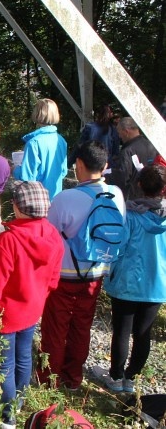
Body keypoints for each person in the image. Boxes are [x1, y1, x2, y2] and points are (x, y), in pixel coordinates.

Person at [0, 181, 63, 428]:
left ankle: (6, 417)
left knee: (3, 364)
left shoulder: (8, 241)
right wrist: (40, 297)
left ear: (17, 207)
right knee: (23, 357)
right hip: (32, 310)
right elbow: (53, 278)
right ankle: (17, 401)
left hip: (3, 316)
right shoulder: (53, 235)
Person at [38, 140, 126, 390]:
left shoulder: (65, 198)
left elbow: (48, 237)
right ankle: (73, 378)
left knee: (56, 327)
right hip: (97, 272)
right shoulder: (116, 195)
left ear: (78, 164)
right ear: (105, 166)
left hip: (64, 274)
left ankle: (48, 379)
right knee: (81, 325)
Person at [98, 165, 166, 393]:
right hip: (156, 284)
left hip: (127, 281)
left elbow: (118, 246)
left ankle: (116, 376)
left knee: (122, 331)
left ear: (138, 184)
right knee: (143, 333)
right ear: (163, 190)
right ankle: (131, 378)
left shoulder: (131, 216)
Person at [12, 98, 68, 201]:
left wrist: (15, 169)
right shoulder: (61, 141)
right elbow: (63, 171)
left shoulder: (33, 143)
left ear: (36, 114)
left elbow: (27, 177)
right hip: (56, 198)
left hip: (38, 199)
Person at [106, 116, 157, 200]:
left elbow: (122, 177)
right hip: (152, 196)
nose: (119, 137)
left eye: (119, 133)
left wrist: (106, 176)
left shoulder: (128, 151)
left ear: (126, 131)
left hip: (133, 199)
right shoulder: (152, 146)